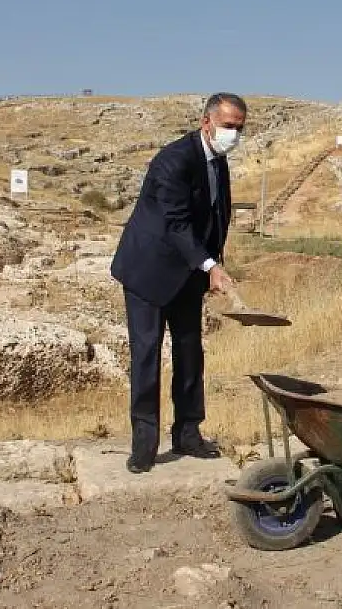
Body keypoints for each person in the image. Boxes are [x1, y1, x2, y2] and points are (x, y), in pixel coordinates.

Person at [110, 92, 245, 473]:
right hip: (149, 272)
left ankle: (188, 432)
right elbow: (176, 223)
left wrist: (214, 264)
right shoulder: (173, 160)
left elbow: (215, 218)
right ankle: (144, 444)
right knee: (147, 354)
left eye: (239, 128)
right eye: (228, 126)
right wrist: (208, 265)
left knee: (190, 352)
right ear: (207, 122)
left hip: (188, 274)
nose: (233, 134)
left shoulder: (218, 162)